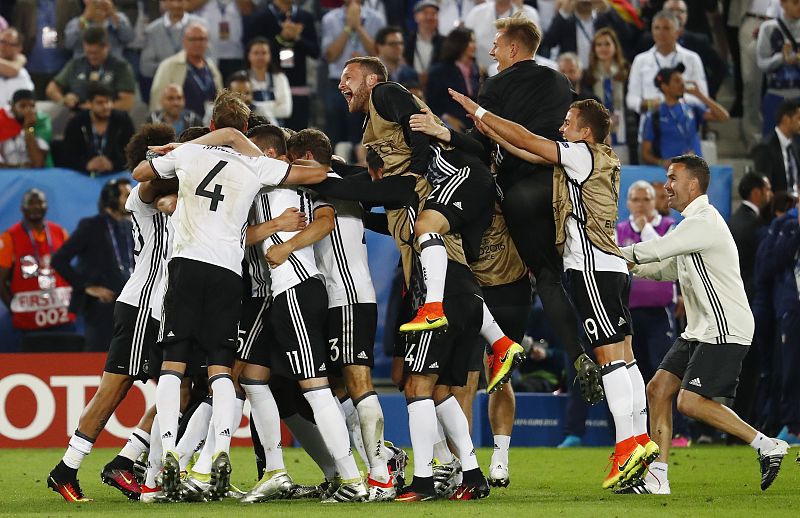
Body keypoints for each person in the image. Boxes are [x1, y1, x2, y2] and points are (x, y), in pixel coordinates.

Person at [448, 91, 657, 489]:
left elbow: (530, 140)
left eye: (568, 123)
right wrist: (489, 128)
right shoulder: (605, 158)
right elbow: (527, 151)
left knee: (609, 359)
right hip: (613, 265)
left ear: (586, 132)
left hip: (590, 266)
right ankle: (640, 439)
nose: (561, 128)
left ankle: (627, 446)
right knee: (627, 360)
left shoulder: (580, 154)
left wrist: (479, 110)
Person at [131, 90, 329, 501]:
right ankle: (220, 449)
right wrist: (247, 148)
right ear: (244, 128)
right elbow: (315, 174)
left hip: (185, 267)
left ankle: (168, 450)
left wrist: (184, 146)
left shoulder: (188, 155)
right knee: (222, 368)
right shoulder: (256, 166)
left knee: (174, 364)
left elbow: (139, 173)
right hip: (228, 272)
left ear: (210, 125)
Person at [451, 13, 603, 401]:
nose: (491, 51)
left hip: (516, 192)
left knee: (521, 274)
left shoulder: (495, 86)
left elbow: (484, 145)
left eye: (497, 45)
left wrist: (447, 135)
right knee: (554, 277)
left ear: (514, 48)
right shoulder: (559, 81)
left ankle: (496, 340)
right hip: (558, 188)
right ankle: (581, 354)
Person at [620, 154, 790, 494]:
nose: (665, 185)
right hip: (700, 329)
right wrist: (627, 265)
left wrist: (612, 253)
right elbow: (667, 269)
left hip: (725, 327)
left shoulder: (704, 221)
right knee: (657, 390)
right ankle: (658, 478)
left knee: (689, 401)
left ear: (692, 184)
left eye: (672, 178)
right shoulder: (691, 226)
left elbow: (658, 249)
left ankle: (766, 444)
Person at [46, 123, 177, 503]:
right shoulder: (142, 193)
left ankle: (127, 459)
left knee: (184, 389)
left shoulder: (181, 193)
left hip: (163, 310)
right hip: (141, 305)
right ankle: (66, 469)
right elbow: (153, 184)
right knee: (113, 390)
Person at [285, 128, 396, 501]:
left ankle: (380, 474)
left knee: (358, 384)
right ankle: (379, 461)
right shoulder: (340, 183)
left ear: (304, 159)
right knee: (335, 390)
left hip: (347, 296)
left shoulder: (327, 187)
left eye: (291, 159)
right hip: (338, 298)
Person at [52, 178, 134, 352]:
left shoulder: (131, 227)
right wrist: (86, 286)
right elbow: (59, 260)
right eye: (127, 195)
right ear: (112, 199)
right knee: (99, 359)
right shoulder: (91, 226)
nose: (132, 198)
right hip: (101, 308)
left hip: (128, 306)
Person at [616, 181, 676, 385]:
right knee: (633, 373)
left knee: (663, 371)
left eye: (646, 199)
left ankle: (670, 418)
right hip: (628, 314)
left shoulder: (669, 227)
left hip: (659, 313)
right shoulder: (619, 230)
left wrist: (645, 228)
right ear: (628, 203)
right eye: (635, 199)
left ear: (655, 202)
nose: (641, 204)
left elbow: (663, 253)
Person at [0, 189, 74, 336]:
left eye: (39, 203)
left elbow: (70, 271)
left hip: (61, 316)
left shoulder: (60, 233)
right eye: (31, 203)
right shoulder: (9, 237)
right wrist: (13, 309)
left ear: (46, 206)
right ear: (22, 208)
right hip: (28, 320)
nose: (35, 207)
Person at [242, 0, 319, 131]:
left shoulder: (305, 17)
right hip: (268, 83)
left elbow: (315, 52)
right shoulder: (260, 18)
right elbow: (252, 48)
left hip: (299, 88)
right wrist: (281, 38)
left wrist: (297, 38)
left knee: (298, 138)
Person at [322, 0, 384, 152]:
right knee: (336, 134)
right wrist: (349, 27)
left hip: (367, 84)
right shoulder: (330, 19)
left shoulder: (377, 18)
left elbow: (379, 53)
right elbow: (330, 55)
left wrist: (359, 27)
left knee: (362, 134)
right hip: (338, 81)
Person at [639, 64, 730, 168]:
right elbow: (645, 154)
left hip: (696, 170)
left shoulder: (692, 108)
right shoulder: (655, 115)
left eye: (682, 80)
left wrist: (700, 95)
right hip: (671, 174)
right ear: (665, 87)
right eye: (677, 80)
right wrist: (661, 162)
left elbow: (724, 117)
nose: (682, 83)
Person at [626, 10, 708, 115]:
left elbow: (701, 96)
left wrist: (672, 101)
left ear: (677, 32)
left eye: (666, 28)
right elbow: (631, 99)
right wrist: (651, 104)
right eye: (656, 28)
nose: (660, 33)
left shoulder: (692, 59)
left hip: (683, 120)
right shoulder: (640, 60)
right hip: (652, 123)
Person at [45, 26, 135, 111]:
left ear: (106, 47)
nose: (92, 57)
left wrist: (97, 108)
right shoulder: (76, 64)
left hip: (109, 119)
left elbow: (127, 103)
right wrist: (64, 100)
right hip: (78, 117)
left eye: (96, 53)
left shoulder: (121, 67)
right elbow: (51, 89)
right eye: (88, 52)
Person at [149, 22, 223, 119]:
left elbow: (221, 98)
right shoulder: (169, 65)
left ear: (207, 42)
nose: (197, 43)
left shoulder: (211, 66)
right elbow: (157, 99)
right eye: (192, 39)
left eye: (201, 39)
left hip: (210, 124)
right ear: (184, 41)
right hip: (181, 126)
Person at [58, 82, 134, 174]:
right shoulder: (76, 123)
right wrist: (86, 165)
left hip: (117, 173)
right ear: (89, 104)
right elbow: (66, 156)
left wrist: (113, 164)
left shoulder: (123, 120)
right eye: (100, 103)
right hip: (83, 174)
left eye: (108, 101)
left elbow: (133, 153)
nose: (106, 106)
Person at [138, 0, 205, 101]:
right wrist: (171, 69)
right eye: (172, 0)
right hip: (164, 90)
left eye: (180, 1)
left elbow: (210, 60)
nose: (176, 5)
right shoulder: (152, 30)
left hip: (197, 89)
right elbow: (146, 67)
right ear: (164, 2)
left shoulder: (201, 26)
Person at [13, 0, 81, 99]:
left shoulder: (70, 3)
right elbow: (17, 31)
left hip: (62, 68)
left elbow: (77, 31)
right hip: (32, 66)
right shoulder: (23, 3)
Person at [540, 0, 630, 68]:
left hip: (598, 73)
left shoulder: (603, 19)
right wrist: (563, 13)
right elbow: (548, 43)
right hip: (573, 74)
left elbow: (627, 35)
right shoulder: (566, 21)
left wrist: (608, 9)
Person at [757, 0, 800, 135]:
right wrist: (781, 58)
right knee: (772, 145)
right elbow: (762, 63)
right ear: (782, 3)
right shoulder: (769, 27)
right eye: (795, 2)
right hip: (776, 95)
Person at [425, 27, 479, 133]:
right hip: (448, 124)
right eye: (470, 42)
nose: (474, 46)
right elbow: (431, 103)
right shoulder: (439, 71)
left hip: (474, 123)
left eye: (474, 41)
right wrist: (445, 117)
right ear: (457, 44)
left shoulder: (477, 70)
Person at [584, 28, 629, 149]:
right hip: (598, 132)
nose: (603, 48)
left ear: (615, 47)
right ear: (594, 49)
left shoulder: (625, 72)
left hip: (623, 131)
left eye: (607, 44)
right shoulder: (588, 75)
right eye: (599, 45)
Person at [465, 0, 539, 75]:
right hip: (479, 74)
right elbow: (465, 42)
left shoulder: (529, 13)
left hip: (516, 74)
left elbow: (534, 43)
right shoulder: (476, 12)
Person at [752, 98, 800, 195]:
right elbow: (764, 189)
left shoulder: (795, 146)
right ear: (786, 119)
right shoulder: (765, 148)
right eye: (799, 119)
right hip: (777, 207)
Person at [240, 37, 292, 125]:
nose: (260, 57)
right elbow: (241, 109)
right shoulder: (241, 77)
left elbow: (286, 110)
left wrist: (257, 107)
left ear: (270, 55)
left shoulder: (280, 77)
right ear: (248, 55)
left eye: (264, 53)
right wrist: (273, 104)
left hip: (278, 131)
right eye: (256, 53)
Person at [63, 0, 133, 59]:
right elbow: (69, 44)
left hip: (114, 67)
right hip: (84, 68)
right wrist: (85, 18)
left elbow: (128, 38)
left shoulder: (119, 18)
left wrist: (113, 14)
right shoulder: (76, 22)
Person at [0, 89, 52, 168]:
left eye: (32, 106)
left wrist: (29, 129)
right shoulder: (2, 121)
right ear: (13, 107)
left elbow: (38, 164)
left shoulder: (40, 122)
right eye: (22, 106)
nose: (28, 110)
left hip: (35, 175)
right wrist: (20, 167)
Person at [404, 0, 444, 88]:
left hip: (437, 87)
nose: (429, 17)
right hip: (411, 86)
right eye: (425, 13)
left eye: (433, 13)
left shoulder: (445, 43)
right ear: (416, 16)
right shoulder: (406, 41)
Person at [0, 28, 34, 108]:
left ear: (19, 48)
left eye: (10, 44)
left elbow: (13, 70)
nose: (4, 47)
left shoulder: (22, 75)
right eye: (2, 42)